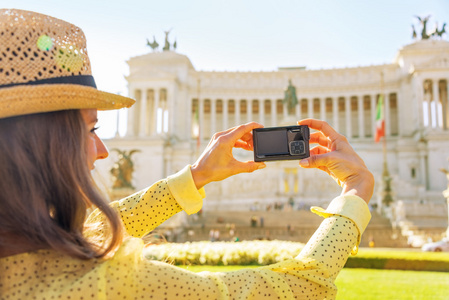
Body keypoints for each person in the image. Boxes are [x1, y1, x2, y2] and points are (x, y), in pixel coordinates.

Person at [0, 9, 374, 300]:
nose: (103, 150)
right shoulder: (110, 286)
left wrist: (196, 176)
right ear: (41, 147)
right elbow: (299, 288)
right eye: (91, 130)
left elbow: (94, 230)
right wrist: (355, 192)